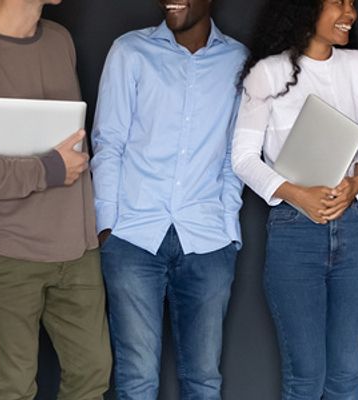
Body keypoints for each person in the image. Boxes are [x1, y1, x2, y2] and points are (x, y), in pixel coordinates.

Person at [0, 0, 110, 398]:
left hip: (75, 251)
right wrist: (46, 170)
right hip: (4, 253)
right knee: (12, 387)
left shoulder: (60, 41)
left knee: (92, 374)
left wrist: (88, 232)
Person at [89, 0, 247, 398]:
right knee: (137, 380)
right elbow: (108, 143)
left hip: (207, 240)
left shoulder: (238, 61)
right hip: (133, 239)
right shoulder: (130, 51)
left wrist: (227, 226)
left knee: (204, 380)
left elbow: (235, 154)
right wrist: (108, 226)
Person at [230, 0, 358, 398]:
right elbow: (243, 159)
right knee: (305, 378)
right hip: (295, 232)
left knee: (346, 379)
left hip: (356, 232)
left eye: (353, 3)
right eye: (338, 2)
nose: (349, 12)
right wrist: (297, 194)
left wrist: (356, 183)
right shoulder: (268, 73)